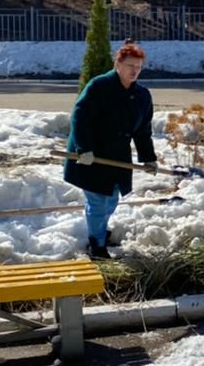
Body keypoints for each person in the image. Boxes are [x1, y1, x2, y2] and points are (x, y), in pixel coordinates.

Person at [64, 41, 159, 259]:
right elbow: (80, 118)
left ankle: (98, 229)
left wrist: (149, 158)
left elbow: (143, 131)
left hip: (117, 157)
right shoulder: (99, 86)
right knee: (97, 201)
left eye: (138, 67)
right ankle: (96, 245)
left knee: (112, 200)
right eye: (130, 66)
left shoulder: (142, 96)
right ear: (118, 64)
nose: (134, 71)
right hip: (91, 156)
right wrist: (83, 148)